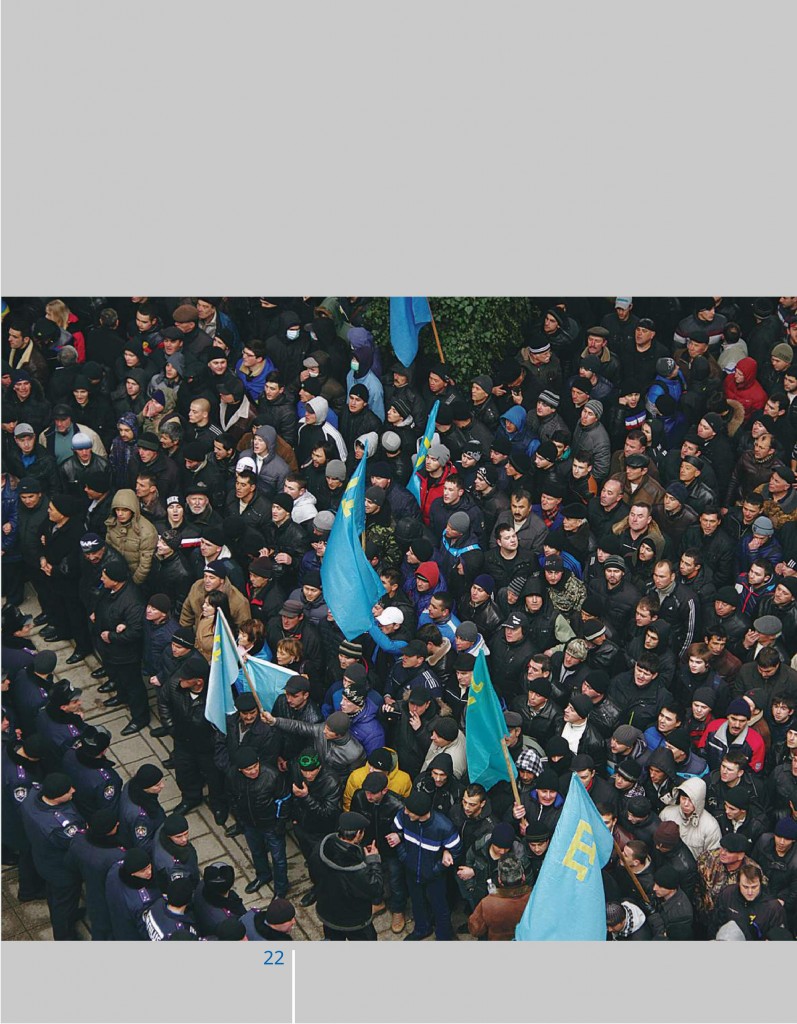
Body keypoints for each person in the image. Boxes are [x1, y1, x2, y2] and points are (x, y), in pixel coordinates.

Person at [19, 773, 86, 940]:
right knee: (64, 905)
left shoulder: (32, 796)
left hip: (43, 860)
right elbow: (78, 844)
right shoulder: (61, 826)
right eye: (68, 791)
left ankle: (67, 916)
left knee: (54, 896)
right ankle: (64, 936)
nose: (73, 790)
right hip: (62, 870)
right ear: (56, 797)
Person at [391, 790, 461, 941]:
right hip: (411, 870)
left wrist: (436, 869)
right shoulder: (403, 816)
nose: (405, 812)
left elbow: (455, 850)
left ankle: (444, 936)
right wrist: (404, 857)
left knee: (440, 906)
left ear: (420, 813)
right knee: (417, 902)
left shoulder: (444, 827)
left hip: (435, 876)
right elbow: (395, 834)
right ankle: (422, 929)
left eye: (409, 810)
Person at [308, 811, 383, 940]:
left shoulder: (320, 848)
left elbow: (314, 876)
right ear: (358, 834)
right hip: (354, 921)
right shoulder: (357, 870)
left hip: (328, 914)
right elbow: (376, 889)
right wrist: (373, 861)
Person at [467, 854, 532, 940]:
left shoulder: (487, 903)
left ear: (499, 880)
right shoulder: (534, 898)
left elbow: (475, 930)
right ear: (523, 877)